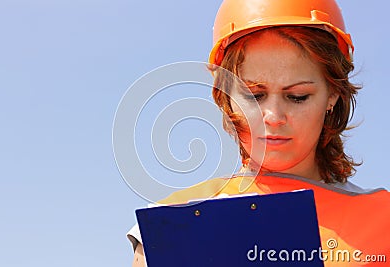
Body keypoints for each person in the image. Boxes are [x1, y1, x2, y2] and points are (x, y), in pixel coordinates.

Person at [128, 0, 390, 266]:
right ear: (224, 95)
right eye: (254, 95)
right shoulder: (169, 221)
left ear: (332, 94)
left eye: (297, 97)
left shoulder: (384, 220)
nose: (273, 117)